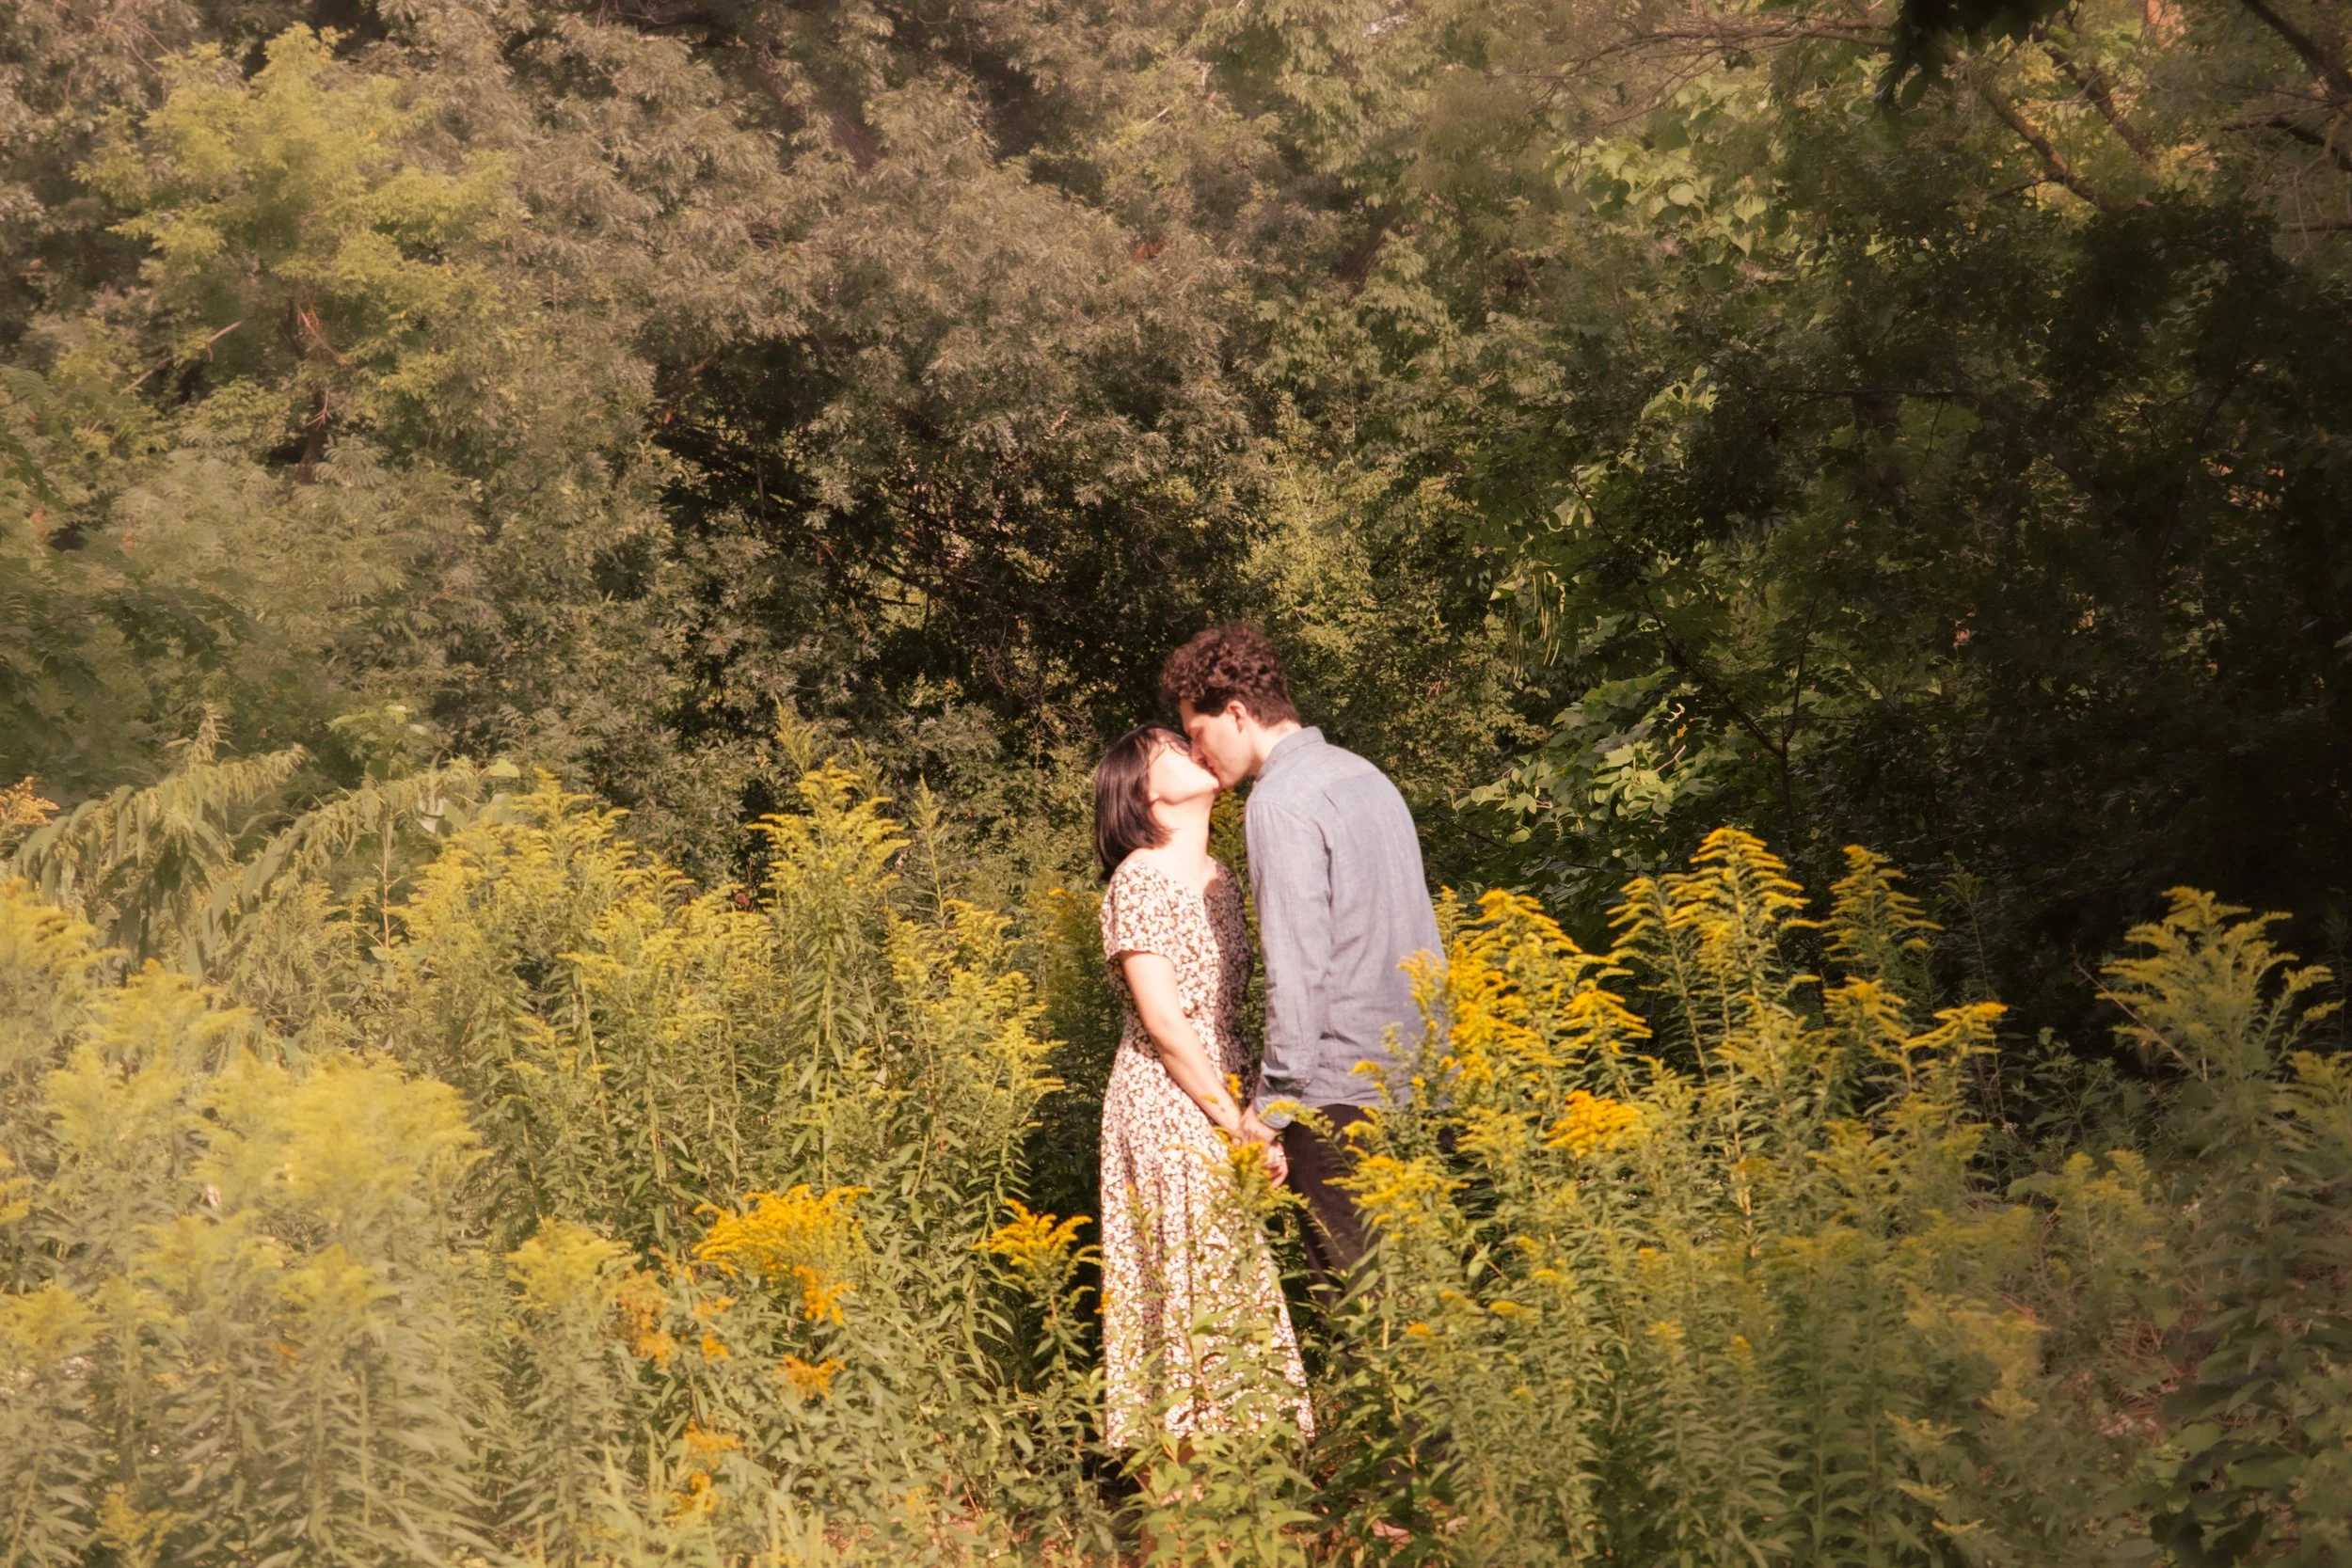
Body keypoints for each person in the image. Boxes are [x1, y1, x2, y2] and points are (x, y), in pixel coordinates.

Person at [1162, 625, 1441, 1304]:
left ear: (1236, 713)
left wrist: (1272, 1106)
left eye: (1199, 734)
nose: (1198, 754)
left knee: (1366, 1321)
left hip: (1341, 1101)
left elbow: (1300, 968)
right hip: (1424, 1082)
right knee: (1431, 1310)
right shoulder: (1363, 773)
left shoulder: (1279, 802)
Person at [1091, 723, 1313, 1450]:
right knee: (1187, 1286)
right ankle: (1180, 1502)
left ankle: (1235, 1478)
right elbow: (1165, 1021)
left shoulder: (1221, 876)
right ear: (1145, 790)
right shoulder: (1139, 877)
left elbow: (1232, 1013)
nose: (1193, 749)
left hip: (1221, 1098)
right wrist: (1237, 1119)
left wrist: (1259, 1118)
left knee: (1227, 1279)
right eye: (1170, 747)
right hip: (1165, 1101)